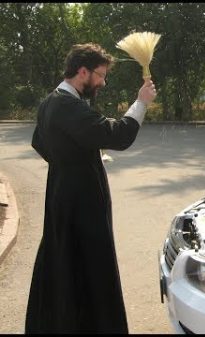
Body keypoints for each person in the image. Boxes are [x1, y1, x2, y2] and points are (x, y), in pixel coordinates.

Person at [26, 43, 157, 333]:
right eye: (100, 75)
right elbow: (118, 135)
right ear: (82, 71)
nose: (103, 82)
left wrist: (71, 160)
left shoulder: (51, 101)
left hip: (63, 196)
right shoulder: (66, 105)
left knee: (67, 267)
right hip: (81, 205)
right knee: (91, 269)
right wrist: (141, 102)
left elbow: (39, 141)